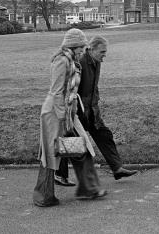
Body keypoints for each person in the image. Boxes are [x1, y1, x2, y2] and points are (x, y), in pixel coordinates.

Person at [33, 28, 107, 207]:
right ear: (73, 46)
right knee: (51, 154)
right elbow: (57, 92)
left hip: (67, 112)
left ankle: (88, 188)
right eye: (81, 46)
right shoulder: (61, 61)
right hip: (55, 113)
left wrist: (70, 113)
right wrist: (62, 119)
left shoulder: (73, 61)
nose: (83, 50)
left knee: (83, 145)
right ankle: (43, 196)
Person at [55, 35, 138, 186]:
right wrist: (71, 110)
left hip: (91, 110)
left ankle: (117, 168)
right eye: (102, 52)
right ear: (91, 49)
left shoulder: (96, 61)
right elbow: (71, 88)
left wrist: (95, 106)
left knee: (104, 135)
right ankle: (60, 174)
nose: (104, 55)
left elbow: (93, 87)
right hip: (78, 111)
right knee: (70, 141)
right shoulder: (80, 63)